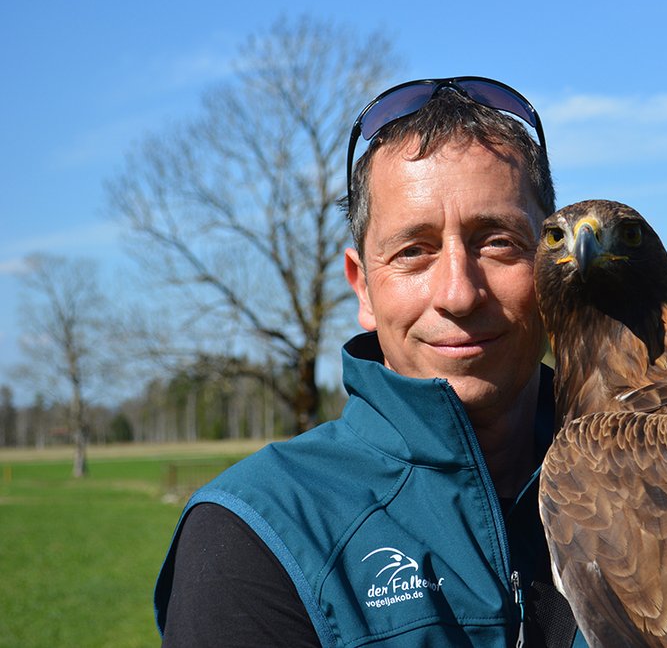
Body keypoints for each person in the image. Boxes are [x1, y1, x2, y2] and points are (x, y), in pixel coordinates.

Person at [153, 77, 585, 647]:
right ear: (363, 287)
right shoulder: (255, 536)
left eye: (498, 241)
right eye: (414, 251)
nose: (458, 293)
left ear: (554, 264)